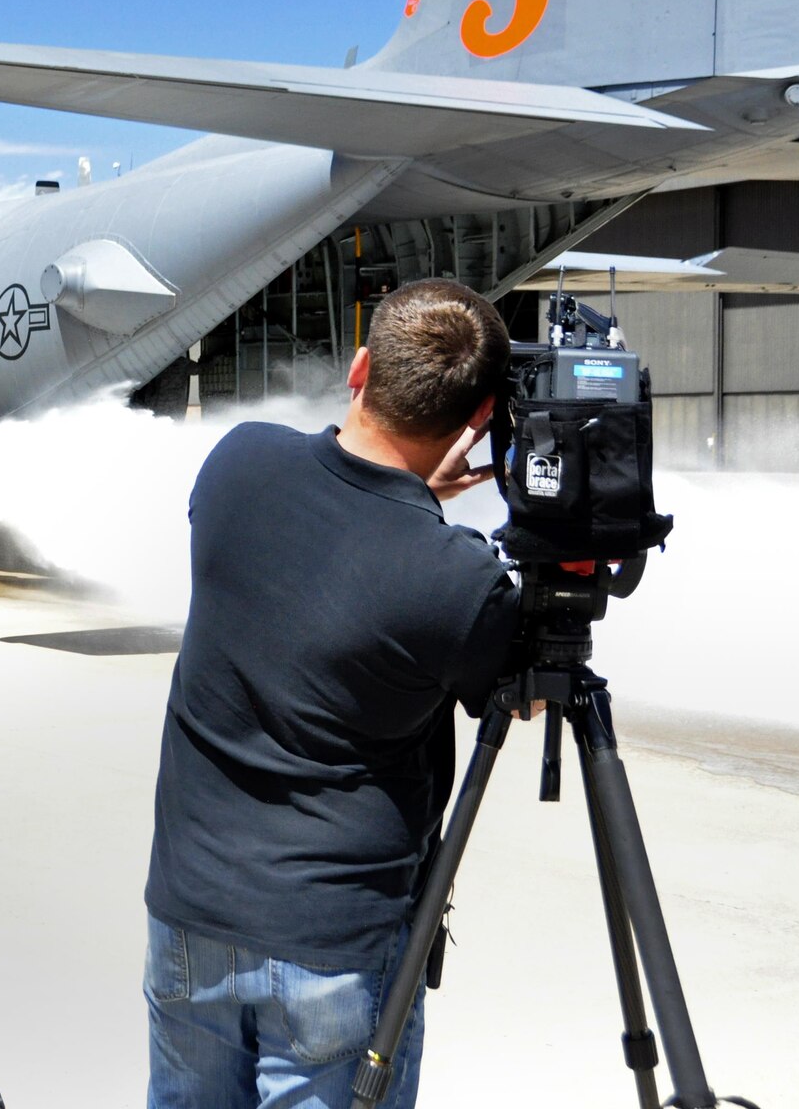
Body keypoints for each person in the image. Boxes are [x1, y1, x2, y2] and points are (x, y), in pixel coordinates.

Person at [144, 279, 520, 1109]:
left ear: (359, 369)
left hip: (189, 915)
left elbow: (325, 536)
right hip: (334, 946)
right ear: (479, 421)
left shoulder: (237, 461)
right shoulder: (455, 581)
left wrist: (407, 497)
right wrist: (423, 510)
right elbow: (519, 693)